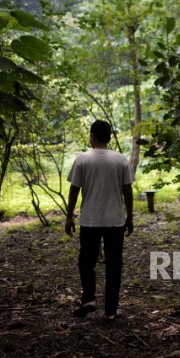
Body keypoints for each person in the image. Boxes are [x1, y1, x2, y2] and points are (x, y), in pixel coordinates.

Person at [64, 120, 134, 321]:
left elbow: (74, 190)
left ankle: (88, 299)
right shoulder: (121, 160)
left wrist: (69, 217)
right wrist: (129, 216)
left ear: (92, 136)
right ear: (109, 137)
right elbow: (127, 191)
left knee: (86, 261)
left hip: (89, 221)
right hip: (115, 221)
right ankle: (111, 311)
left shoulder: (82, 159)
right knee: (114, 265)